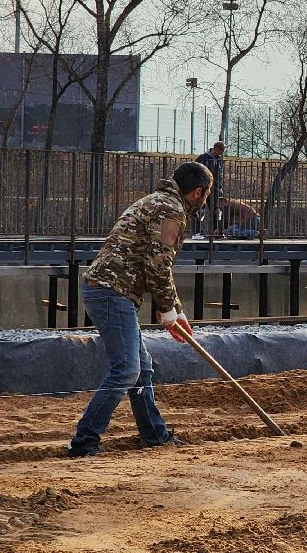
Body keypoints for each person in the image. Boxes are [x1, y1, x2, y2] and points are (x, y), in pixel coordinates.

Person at [66, 162, 212, 457]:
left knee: (142, 368)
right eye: (207, 194)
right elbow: (158, 265)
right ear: (198, 192)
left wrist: (171, 309)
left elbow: (150, 260)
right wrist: (170, 310)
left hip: (113, 289)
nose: (206, 199)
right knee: (127, 370)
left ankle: (155, 435)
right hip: (112, 291)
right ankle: (84, 441)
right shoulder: (171, 211)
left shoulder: (157, 201)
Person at [194, 141, 225, 237]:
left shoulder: (219, 159)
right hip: (203, 187)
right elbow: (196, 170)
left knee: (215, 209)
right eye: (222, 150)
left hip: (214, 188)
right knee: (200, 208)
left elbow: (219, 175)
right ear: (216, 149)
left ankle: (215, 231)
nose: (222, 153)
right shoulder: (203, 158)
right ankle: (197, 231)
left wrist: (220, 187)